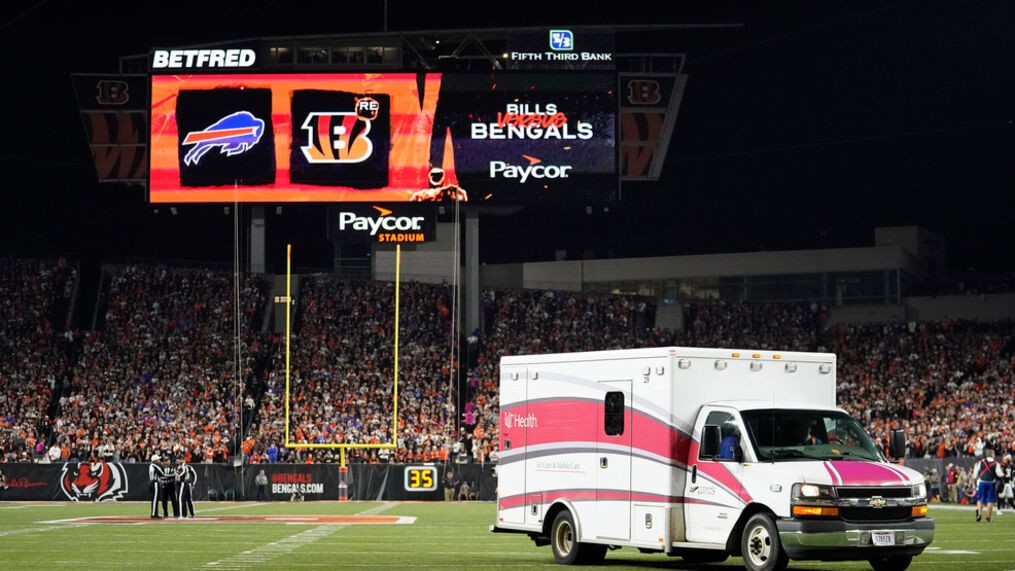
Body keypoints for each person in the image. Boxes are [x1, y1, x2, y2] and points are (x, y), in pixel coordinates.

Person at [974, 448, 1004, 522]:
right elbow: (1000, 474)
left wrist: (975, 481)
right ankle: (988, 517)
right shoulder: (996, 464)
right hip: (991, 483)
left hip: (981, 482)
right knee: (990, 500)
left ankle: (979, 514)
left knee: (980, 499)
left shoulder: (980, 462)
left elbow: (975, 474)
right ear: (992, 455)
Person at [148, 453, 164, 519]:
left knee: (155, 499)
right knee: (155, 499)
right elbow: (162, 474)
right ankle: (154, 514)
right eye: (158, 459)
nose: (159, 461)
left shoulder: (151, 466)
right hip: (155, 483)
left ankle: (155, 513)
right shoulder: (155, 466)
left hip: (152, 483)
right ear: (155, 461)